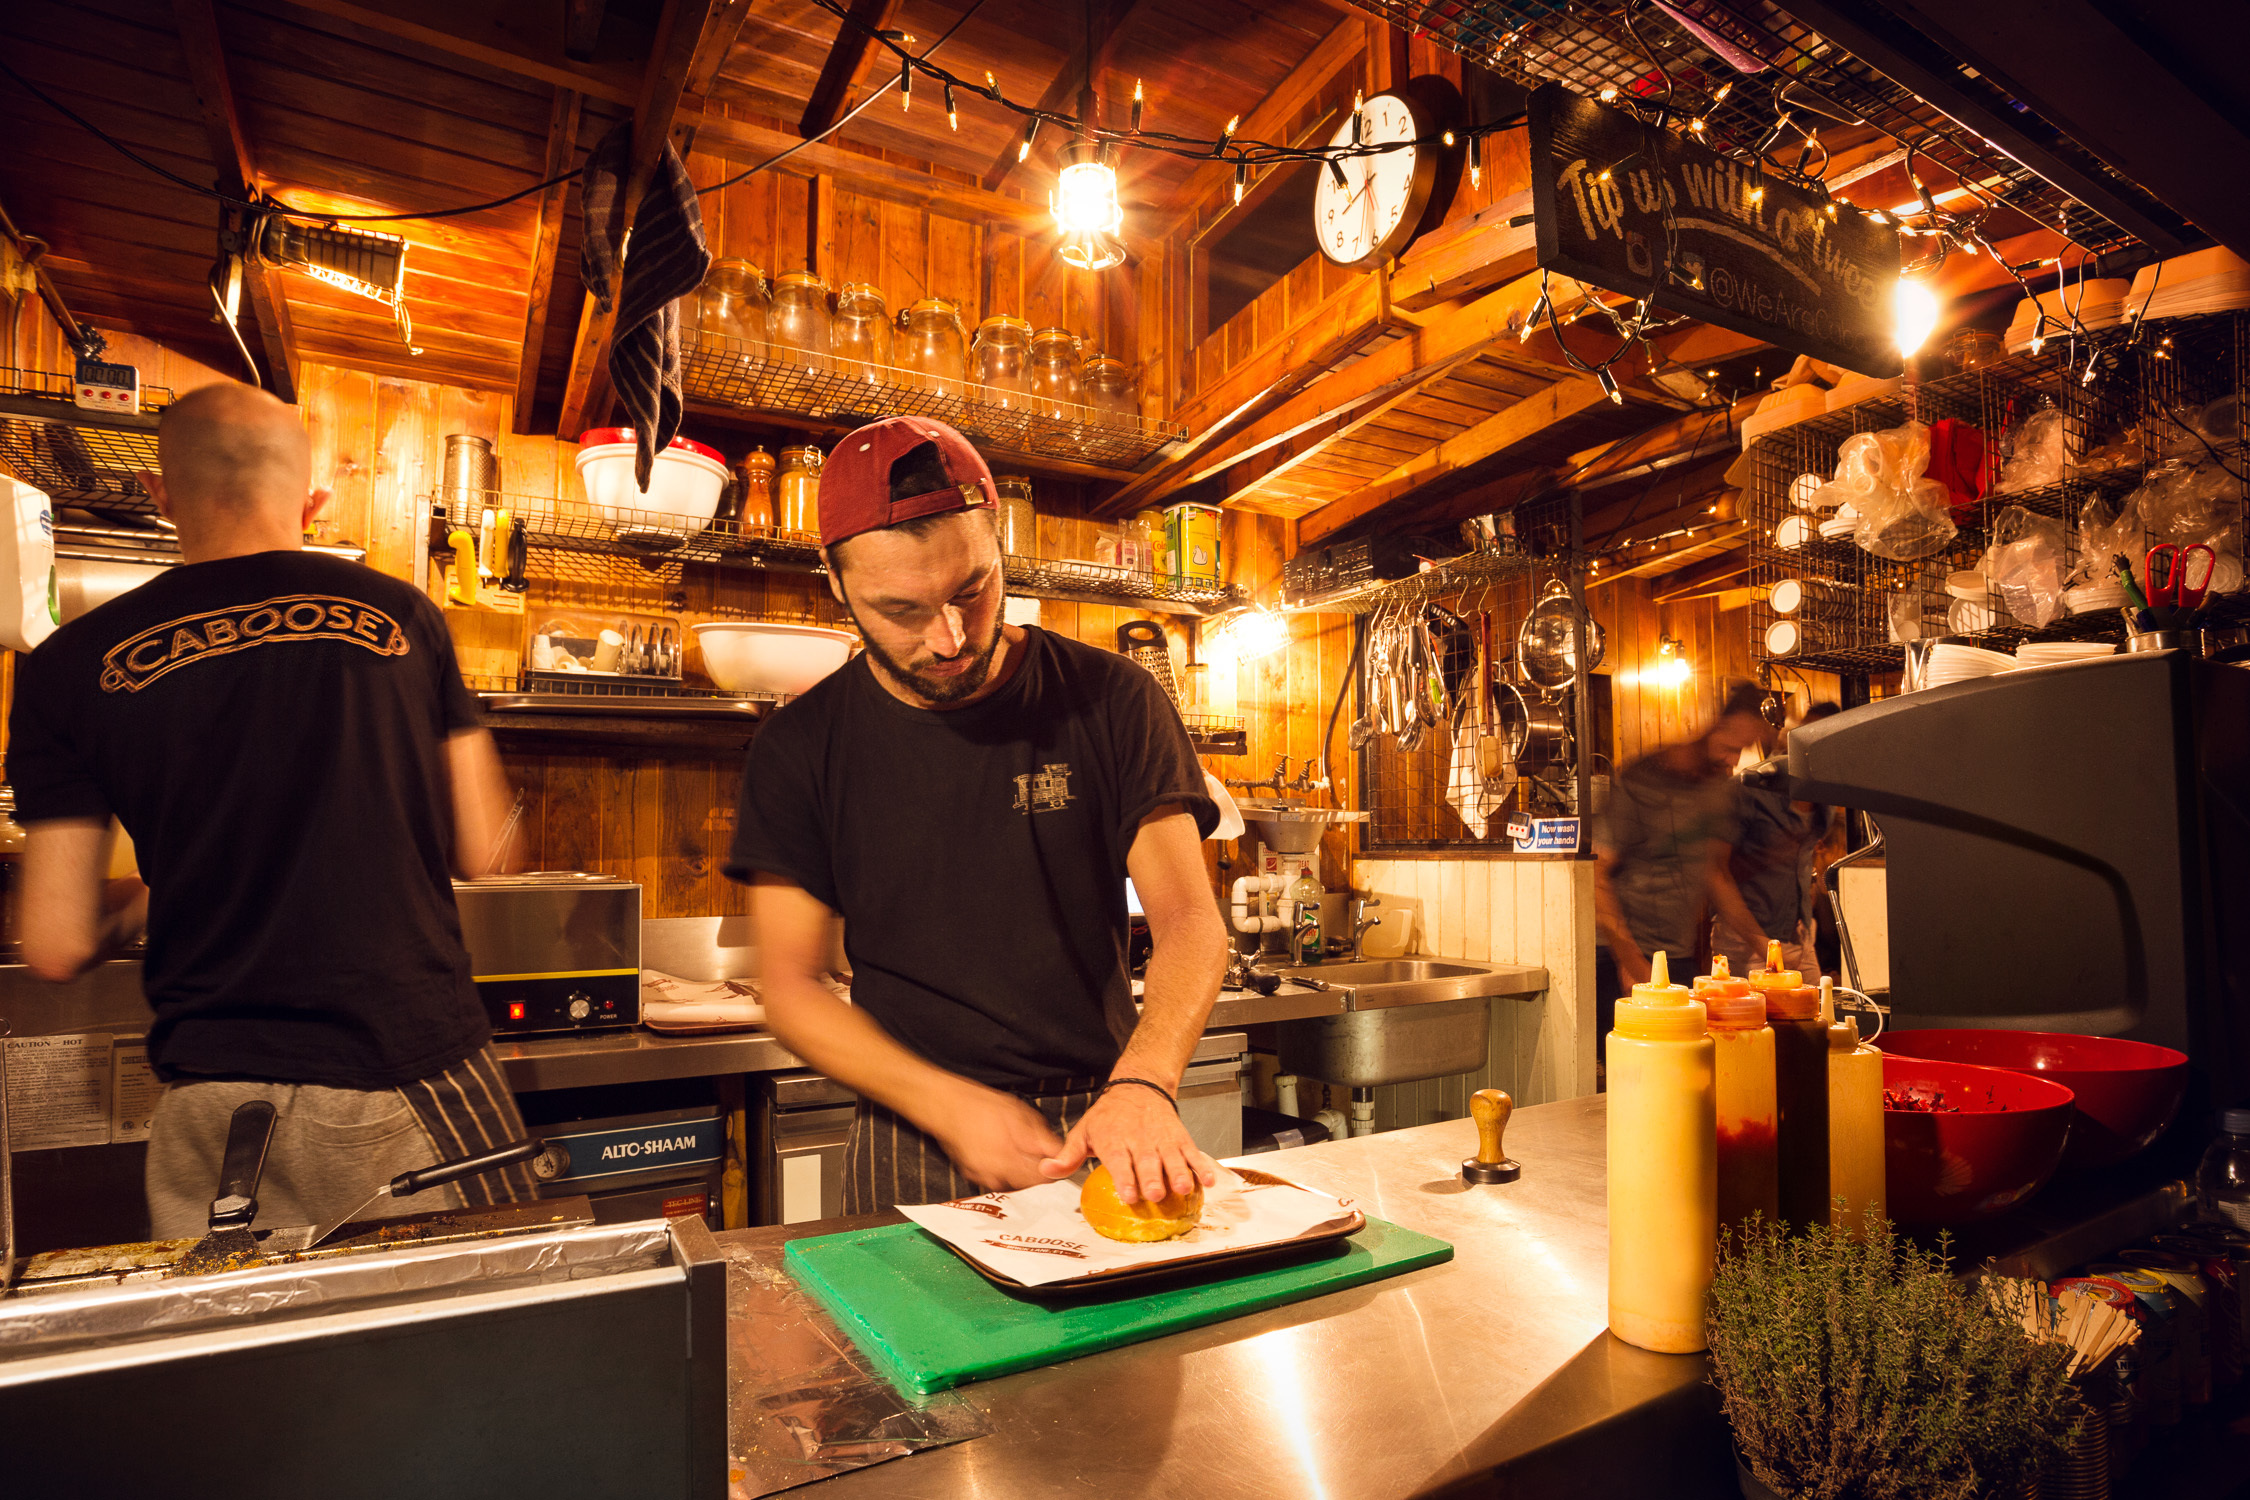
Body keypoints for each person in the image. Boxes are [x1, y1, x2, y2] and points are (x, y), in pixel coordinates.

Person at [7, 381, 536, 1238]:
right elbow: (488, 850)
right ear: (312, 497)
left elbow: (58, 945)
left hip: (211, 1108)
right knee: (474, 1351)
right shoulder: (402, 614)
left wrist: (152, 898)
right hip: (406, 1076)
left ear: (161, 493)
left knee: (243, 1367)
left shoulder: (67, 667)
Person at [726, 416, 1230, 1213]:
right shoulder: (800, 746)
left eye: (974, 589)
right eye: (902, 610)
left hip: (1101, 1118)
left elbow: (1191, 926)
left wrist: (1145, 1080)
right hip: (910, 1130)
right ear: (834, 579)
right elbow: (791, 986)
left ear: (999, 547)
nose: (952, 638)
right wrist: (947, 1106)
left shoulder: (1114, 699)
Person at [1593, 683, 1773, 1051]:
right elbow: (1597, 877)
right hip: (1618, 955)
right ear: (1713, 728)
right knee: (1633, 1073)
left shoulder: (1718, 793)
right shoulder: (1639, 780)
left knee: (1687, 1064)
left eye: (1740, 751)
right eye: (1729, 747)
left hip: (1675, 955)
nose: (1733, 762)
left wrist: (1766, 946)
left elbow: (1716, 875)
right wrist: (1631, 961)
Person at [1717, 702, 1842, 975]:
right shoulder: (1750, 789)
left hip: (1799, 935)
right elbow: (1715, 874)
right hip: (1747, 941)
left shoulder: (1826, 799)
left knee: (1816, 1014)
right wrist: (1761, 944)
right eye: (1803, 733)